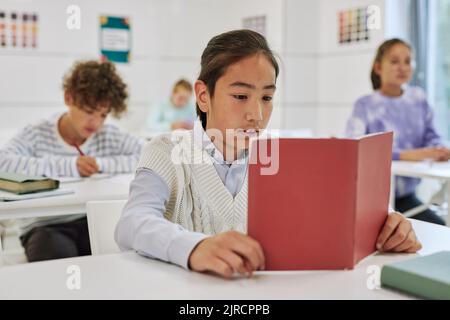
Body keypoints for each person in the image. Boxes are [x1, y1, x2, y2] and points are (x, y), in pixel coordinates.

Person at [116, 30, 422, 279]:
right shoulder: (168, 151)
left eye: (267, 97)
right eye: (240, 96)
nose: (257, 114)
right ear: (203, 96)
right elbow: (132, 222)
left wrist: (387, 228)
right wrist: (194, 247)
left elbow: (332, 226)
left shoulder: (283, 157)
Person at [0, 60, 144, 262]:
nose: (96, 122)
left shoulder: (108, 134)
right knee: (59, 260)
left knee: (115, 259)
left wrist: (101, 164)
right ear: (68, 98)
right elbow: (4, 162)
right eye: (89, 111)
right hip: (45, 225)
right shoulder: (37, 133)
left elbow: (147, 154)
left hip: (91, 219)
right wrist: (71, 166)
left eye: (103, 115)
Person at [346, 38, 450, 225]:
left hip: (406, 198)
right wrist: (411, 155)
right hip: (370, 200)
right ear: (378, 68)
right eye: (394, 61)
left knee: (440, 227)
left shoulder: (418, 99)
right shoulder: (365, 105)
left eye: (407, 61)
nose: (402, 67)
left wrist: (439, 150)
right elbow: (355, 149)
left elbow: (432, 136)